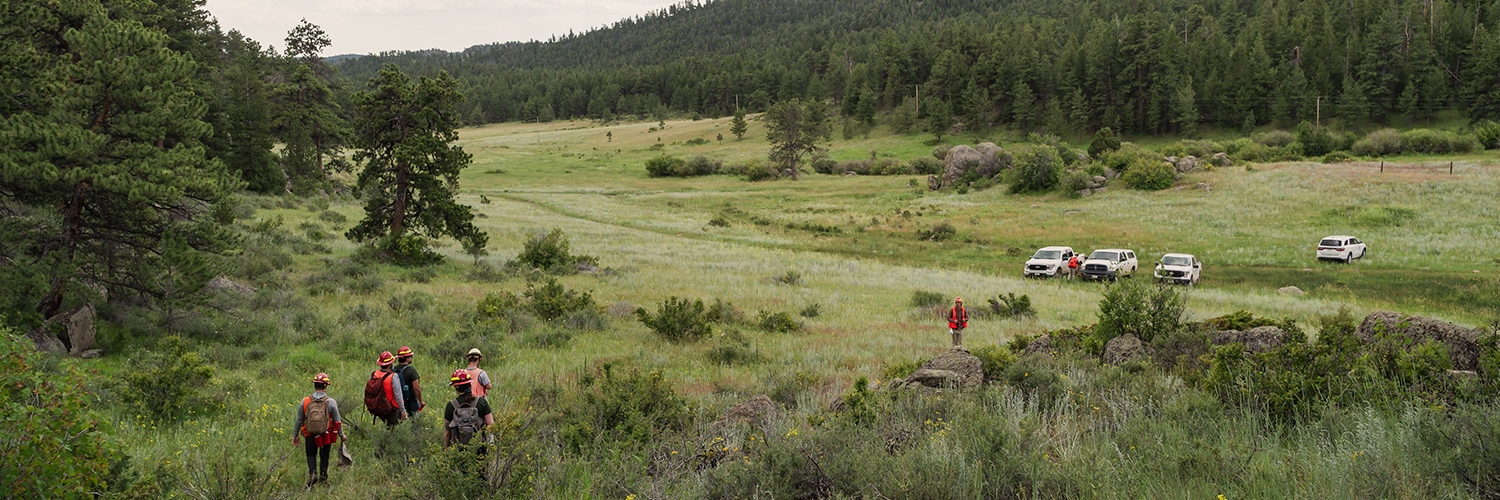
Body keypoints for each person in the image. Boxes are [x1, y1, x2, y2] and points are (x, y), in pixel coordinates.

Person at [293, 373, 344, 487]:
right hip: (325, 434)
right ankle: (323, 478)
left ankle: (312, 474)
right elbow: (337, 421)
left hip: (309, 433)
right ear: (326, 386)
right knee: (324, 455)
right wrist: (342, 435)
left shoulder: (305, 400)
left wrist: (295, 435)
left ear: (314, 385)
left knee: (311, 454)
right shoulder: (331, 402)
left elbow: (298, 420)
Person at [444, 369, 494, 449]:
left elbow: (447, 432)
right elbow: (490, 424)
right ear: (470, 384)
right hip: (479, 450)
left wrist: (447, 450)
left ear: (456, 388)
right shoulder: (481, 402)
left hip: (458, 452)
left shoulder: (451, 405)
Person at [364, 351, 407, 426]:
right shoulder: (393, 376)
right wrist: (403, 410)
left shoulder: (374, 374)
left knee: (385, 429)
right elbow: (398, 396)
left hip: (378, 407)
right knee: (394, 432)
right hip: (391, 409)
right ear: (390, 364)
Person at [394, 346, 424, 417]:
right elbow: (416, 387)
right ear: (407, 358)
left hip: (396, 402)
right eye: (410, 356)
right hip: (411, 402)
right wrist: (421, 401)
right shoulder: (411, 370)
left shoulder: (393, 370)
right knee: (415, 422)